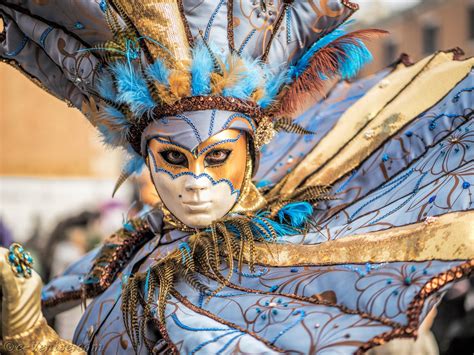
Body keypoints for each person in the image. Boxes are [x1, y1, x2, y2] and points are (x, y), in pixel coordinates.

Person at [0, 1, 473, 353]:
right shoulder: (130, 252)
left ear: (248, 156)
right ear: (146, 158)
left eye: (218, 156)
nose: (195, 181)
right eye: (174, 159)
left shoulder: (288, 267)